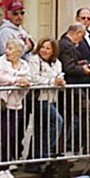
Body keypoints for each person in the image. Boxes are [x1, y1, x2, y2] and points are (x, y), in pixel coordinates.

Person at [0, 35, 38, 178]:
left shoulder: (24, 64)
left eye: (10, 48)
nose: (7, 51)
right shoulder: (1, 61)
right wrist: (17, 79)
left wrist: (23, 81)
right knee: (0, 136)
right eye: (7, 48)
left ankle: (7, 164)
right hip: (2, 104)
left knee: (11, 135)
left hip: (17, 104)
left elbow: (28, 78)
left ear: (18, 51)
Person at [30, 37, 69, 166]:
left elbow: (59, 75)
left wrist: (60, 82)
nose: (44, 50)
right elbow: (34, 78)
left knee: (41, 128)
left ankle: (35, 161)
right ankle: (45, 152)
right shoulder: (34, 60)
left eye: (48, 48)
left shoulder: (57, 62)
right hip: (40, 98)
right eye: (42, 47)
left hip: (52, 97)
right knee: (57, 121)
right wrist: (52, 82)